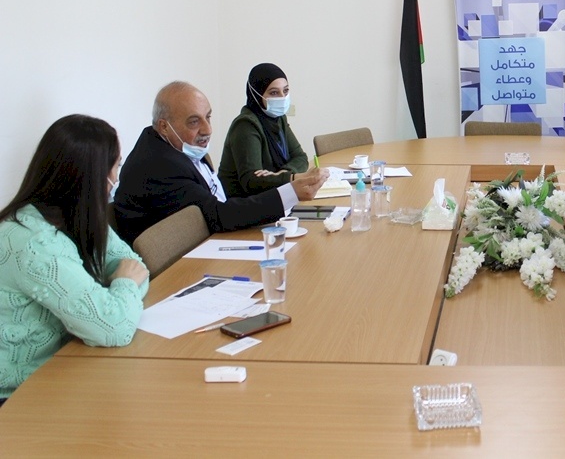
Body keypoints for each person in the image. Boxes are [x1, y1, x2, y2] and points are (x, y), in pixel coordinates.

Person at [0, 115, 149, 406]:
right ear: (95, 176)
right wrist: (122, 286)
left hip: (63, 364)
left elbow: (135, 267)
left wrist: (121, 289)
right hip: (18, 395)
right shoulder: (34, 244)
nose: (117, 178)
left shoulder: (77, 216)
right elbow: (114, 327)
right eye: (116, 166)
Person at [114, 81, 329, 245]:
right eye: (194, 121)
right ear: (164, 126)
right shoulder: (159, 165)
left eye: (208, 117)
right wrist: (291, 192)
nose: (207, 130)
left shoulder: (174, 145)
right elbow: (218, 215)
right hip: (174, 270)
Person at [218, 63, 309, 197]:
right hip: (243, 203)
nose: (282, 97)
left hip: (273, 196)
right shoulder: (246, 125)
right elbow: (252, 182)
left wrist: (283, 173)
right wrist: (292, 177)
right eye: (274, 93)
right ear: (257, 94)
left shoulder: (279, 118)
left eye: (285, 91)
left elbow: (301, 157)